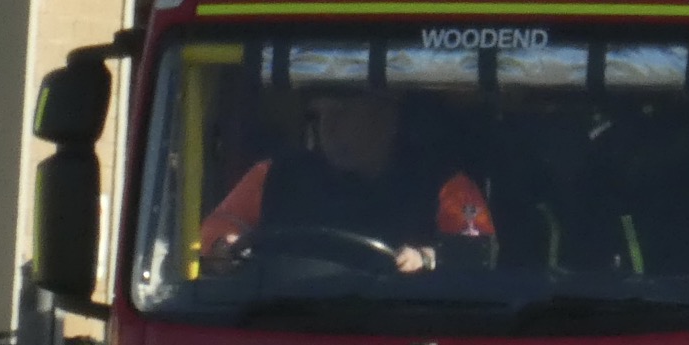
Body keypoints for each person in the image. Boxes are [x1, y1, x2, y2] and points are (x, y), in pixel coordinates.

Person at [199, 89, 494, 272]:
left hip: (405, 336)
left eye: (342, 113)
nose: (328, 127)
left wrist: (427, 258)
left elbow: (476, 261)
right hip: (286, 329)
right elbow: (215, 230)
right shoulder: (274, 175)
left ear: (387, 117)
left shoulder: (448, 186)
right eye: (320, 115)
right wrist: (224, 246)